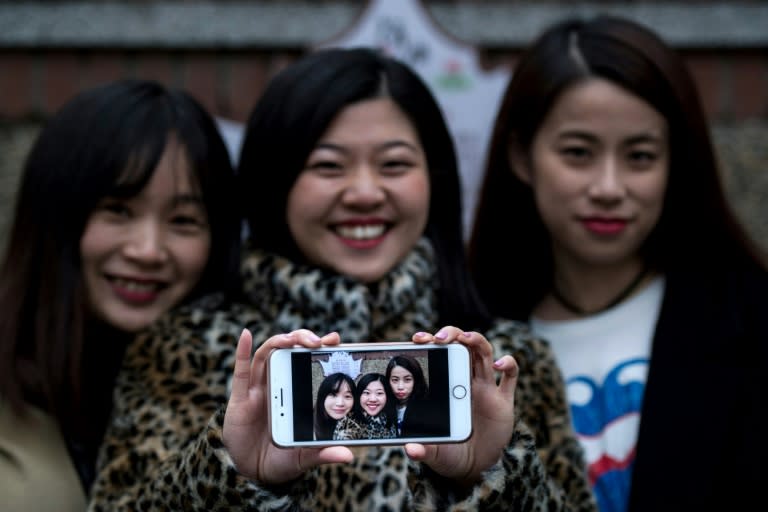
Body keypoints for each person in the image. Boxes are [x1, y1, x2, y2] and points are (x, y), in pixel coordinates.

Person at [88, 47, 596, 511]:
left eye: (394, 164)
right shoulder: (184, 351)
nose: (364, 192)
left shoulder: (504, 364)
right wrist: (232, 476)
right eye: (328, 166)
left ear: (434, 179)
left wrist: (491, 478)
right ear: (276, 180)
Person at [468, 15, 768, 512]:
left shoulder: (751, 322)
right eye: (578, 152)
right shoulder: (466, 338)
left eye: (640, 156)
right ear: (521, 155)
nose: (609, 187)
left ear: (676, 163)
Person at [0, 79, 242, 512]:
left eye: (184, 220)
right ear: (53, 216)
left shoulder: (240, 405)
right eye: (118, 210)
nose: (147, 250)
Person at [385, 354, 441, 437]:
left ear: (416, 380)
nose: (400, 387)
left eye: (407, 380)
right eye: (395, 380)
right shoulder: (383, 408)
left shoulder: (428, 410)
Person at [347, 372, 397, 440]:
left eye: (379, 393)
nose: (372, 399)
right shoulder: (348, 423)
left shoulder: (390, 419)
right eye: (366, 393)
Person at [313, 372, 358, 440]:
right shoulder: (305, 428)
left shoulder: (359, 427)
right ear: (322, 398)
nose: (340, 403)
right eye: (333, 395)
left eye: (347, 396)